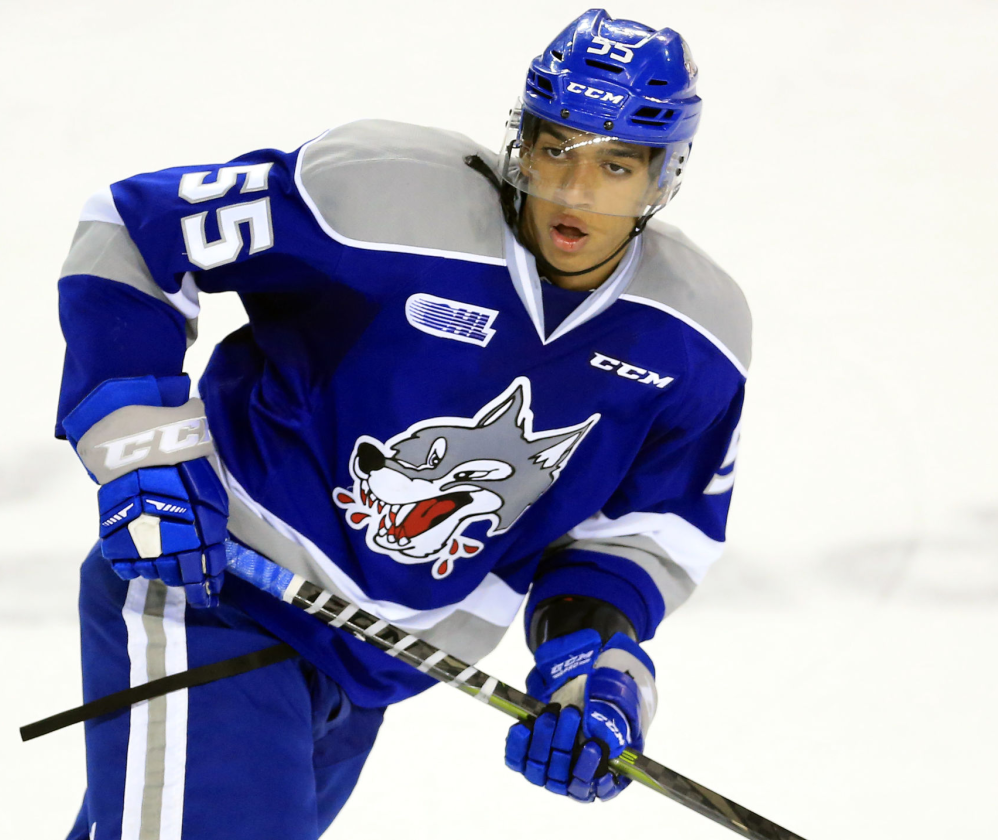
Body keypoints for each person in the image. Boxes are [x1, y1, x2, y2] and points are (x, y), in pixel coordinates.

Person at [54, 8, 750, 839]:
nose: (573, 188)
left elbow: (637, 534)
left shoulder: (695, 337)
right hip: (215, 594)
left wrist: (591, 663)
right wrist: (144, 450)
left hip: (367, 674)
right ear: (519, 137)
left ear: (663, 176)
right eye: (554, 146)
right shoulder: (380, 198)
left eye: (616, 164)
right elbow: (132, 228)